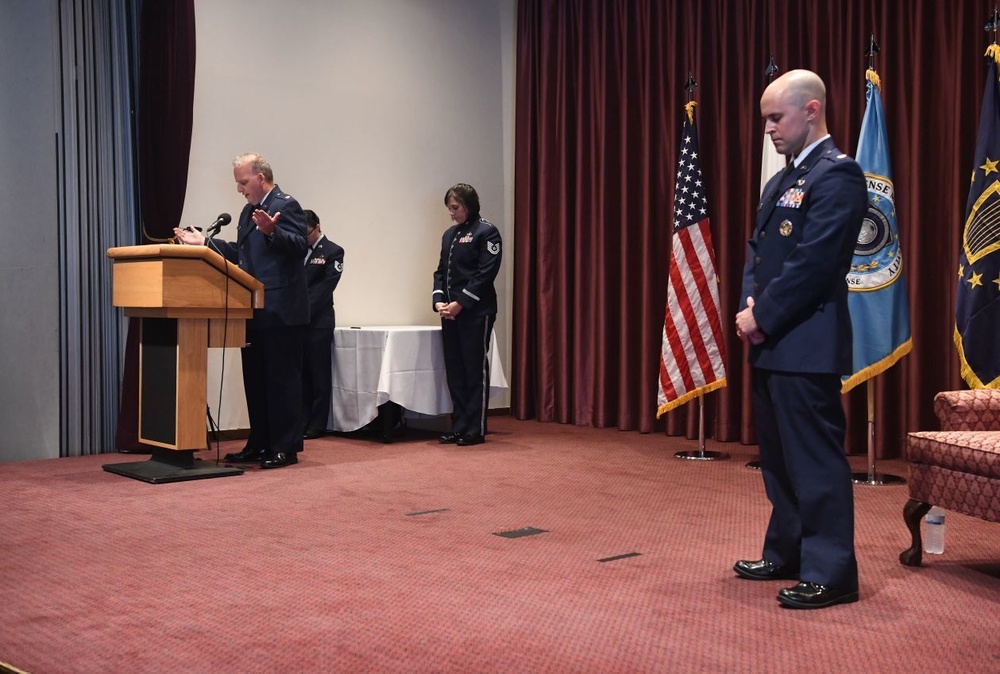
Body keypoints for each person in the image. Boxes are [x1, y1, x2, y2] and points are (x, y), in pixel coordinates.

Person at [733, 70, 866, 609]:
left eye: (775, 117)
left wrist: (760, 314)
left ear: (811, 110)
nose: (768, 128)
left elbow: (815, 263)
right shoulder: (781, 181)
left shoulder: (839, 176)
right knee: (779, 461)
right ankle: (787, 550)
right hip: (771, 342)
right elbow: (758, 253)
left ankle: (832, 571)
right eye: (765, 118)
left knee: (815, 461)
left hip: (806, 343)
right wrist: (751, 306)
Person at [174, 152, 309, 469]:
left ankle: (284, 448)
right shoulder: (249, 211)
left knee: (281, 382)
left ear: (260, 178)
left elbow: (299, 246)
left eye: (243, 182)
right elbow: (242, 256)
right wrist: (205, 244)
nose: (239, 189)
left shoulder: (285, 205)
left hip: (282, 311)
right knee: (257, 380)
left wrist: (272, 233)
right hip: (253, 309)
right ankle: (260, 443)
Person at [432, 183, 502, 446]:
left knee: (474, 370)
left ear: (469, 205)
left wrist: (461, 303)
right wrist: (440, 301)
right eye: (449, 208)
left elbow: (485, 274)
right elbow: (441, 271)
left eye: (455, 207)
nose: (451, 213)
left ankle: (475, 427)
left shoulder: (487, 232)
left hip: (475, 312)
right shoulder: (449, 235)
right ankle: (459, 425)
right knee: (456, 371)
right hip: (450, 313)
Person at [301, 209, 345, 439]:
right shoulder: (296, 250)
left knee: (319, 374)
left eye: (306, 232)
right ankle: (301, 420)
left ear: (317, 226)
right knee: (301, 375)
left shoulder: (333, 251)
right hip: (296, 323)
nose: (304, 237)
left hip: (318, 322)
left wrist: (301, 311)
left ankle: (317, 423)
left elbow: (325, 287)